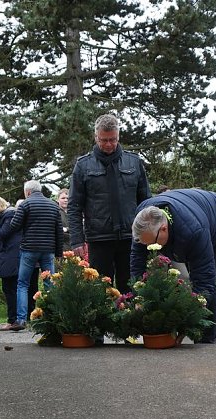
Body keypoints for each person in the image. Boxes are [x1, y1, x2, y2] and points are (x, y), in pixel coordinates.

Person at [130, 188, 216, 344]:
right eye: (146, 244)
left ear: (164, 228)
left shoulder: (193, 231)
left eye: (152, 243)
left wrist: (186, 324)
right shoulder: (143, 221)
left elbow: (205, 282)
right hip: (197, 214)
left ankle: (206, 339)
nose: (150, 248)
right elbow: (137, 261)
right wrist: (139, 295)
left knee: (208, 277)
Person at [68, 113, 150, 293]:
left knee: (132, 288)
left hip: (131, 237)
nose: (108, 144)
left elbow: (146, 201)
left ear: (118, 136)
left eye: (113, 140)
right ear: (96, 137)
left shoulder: (134, 162)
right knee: (100, 290)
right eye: (103, 140)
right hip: (99, 239)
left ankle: (131, 321)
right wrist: (76, 241)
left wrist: (149, 234)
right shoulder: (83, 166)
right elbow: (74, 206)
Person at [8, 180, 63, 331]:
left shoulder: (26, 204)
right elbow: (59, 231)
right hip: (48, 249)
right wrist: (58, 252)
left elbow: (14, 226)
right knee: (50, 284)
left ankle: (21, 319)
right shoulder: (53, 205)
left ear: (27, 192)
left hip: (29, 249)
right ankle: (53, 316)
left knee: (23, 284)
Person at [0, 194, 37, 331]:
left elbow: (3, 234)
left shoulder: (9, 215)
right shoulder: (8, 215)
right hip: (12, 256)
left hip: (11, 257)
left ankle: (13, 319)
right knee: (19, 288)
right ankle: (23, 318)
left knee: (10, 288)